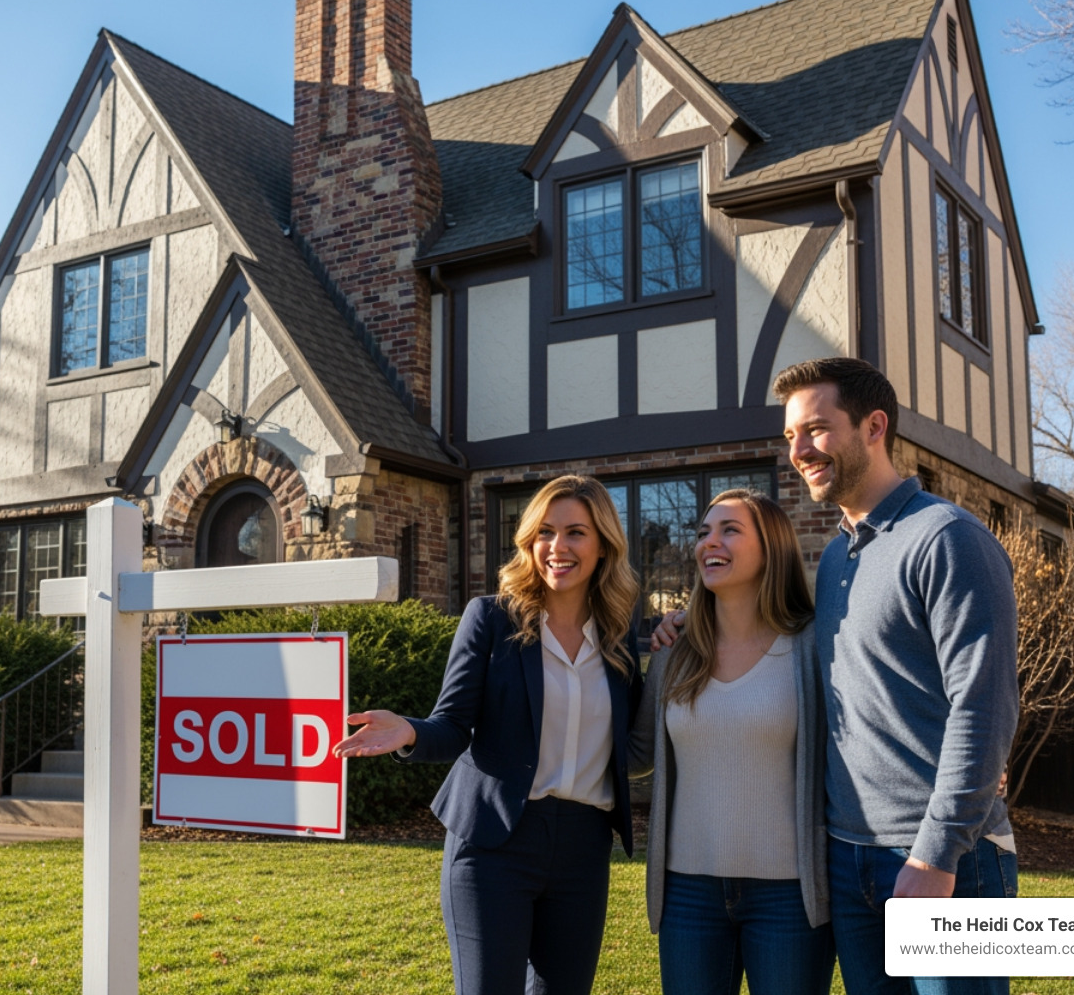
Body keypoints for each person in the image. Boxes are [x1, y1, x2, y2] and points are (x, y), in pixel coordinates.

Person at [657, 357, 1018, 995]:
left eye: (817, 429)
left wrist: (936, 853)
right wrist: (695, 622)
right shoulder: (835, 562)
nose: (798, 450)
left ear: (874, 427)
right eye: (791, 435)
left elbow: (984, 706)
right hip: (848, 861)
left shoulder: (947, 538)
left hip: (945, 859)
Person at [333, 474, 642, 995]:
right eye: (545, 532)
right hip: (495, 843)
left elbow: (635, 734)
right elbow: (453, 725)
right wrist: (409, 732)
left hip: (583, 848)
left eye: (575, 532)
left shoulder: (619, 633)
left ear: (604, 545)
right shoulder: (492, 619)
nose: (557, 547)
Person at [629, 488, 833, 995]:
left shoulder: (811, 647)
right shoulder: (675, 652)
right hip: (687, 893)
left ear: (772, 549)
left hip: (789, 896)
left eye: (729, 530)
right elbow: (636, 754)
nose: (708, 542)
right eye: (703, 532)